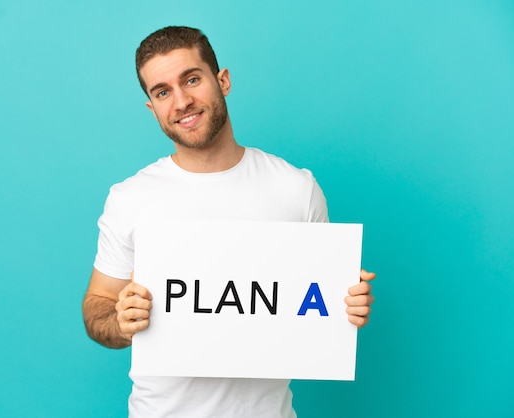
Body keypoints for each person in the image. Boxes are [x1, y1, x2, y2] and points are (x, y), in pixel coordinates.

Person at [82, 26, 376, 418]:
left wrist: (348, 307)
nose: (182, 101)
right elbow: (98, 304)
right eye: (163, 91)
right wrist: (120, 323)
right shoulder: (130, 198)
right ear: (152, 107)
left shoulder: (295, 189)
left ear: (222, 80)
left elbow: (316, 304)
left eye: (191, 79)